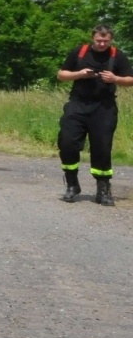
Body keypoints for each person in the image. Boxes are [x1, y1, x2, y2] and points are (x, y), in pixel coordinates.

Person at [56, 23, 132, 206]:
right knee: (67, 142)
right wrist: (80, 74)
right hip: (77, 104)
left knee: (102, 148)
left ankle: (103, 190)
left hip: (104, 107)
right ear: (93, 38)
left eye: (106, 41)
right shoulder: (79, 52)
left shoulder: (117, 55)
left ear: (111, 40)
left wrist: (115, 79)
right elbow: (61, 75)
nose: (102, 44)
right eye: (99, 40)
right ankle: (72, 185)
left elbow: (130, 79)